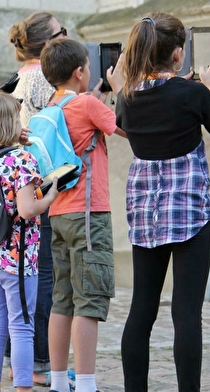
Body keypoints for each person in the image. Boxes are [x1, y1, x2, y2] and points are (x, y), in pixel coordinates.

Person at [108, 12, 210, 392]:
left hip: (145, 215)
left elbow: (129, 118)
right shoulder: (193, 94)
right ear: (178, 54)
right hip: (189, 213)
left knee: (141, 310)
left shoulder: (128, 99)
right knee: (186, 315)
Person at [39, 38, 127, 392]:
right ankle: (88, 383)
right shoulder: (88, 104)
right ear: (79, 72)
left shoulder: (51, 105)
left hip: (58, 213)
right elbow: (125, 127)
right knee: (89, 299)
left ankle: (59, 380)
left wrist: (96, 97)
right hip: (90, 215)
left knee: (62, 299)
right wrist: (120, 89)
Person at [0, 91, 59, 392]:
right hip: (19, 260)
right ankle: (22, 388)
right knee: (21, 326)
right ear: (8, 124)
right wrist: (52, 196)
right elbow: (28, 209)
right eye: (16, 118)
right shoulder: (21, 160)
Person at [7, 11, 68, 387]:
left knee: (28, 275)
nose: (67, 36)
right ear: (47, 43)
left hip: (22, 184)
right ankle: (38, 362)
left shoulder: (19, 79)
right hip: (44, 184)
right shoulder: (44, 78)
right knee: (44, 275)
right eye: (62, 33)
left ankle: (23, 358)